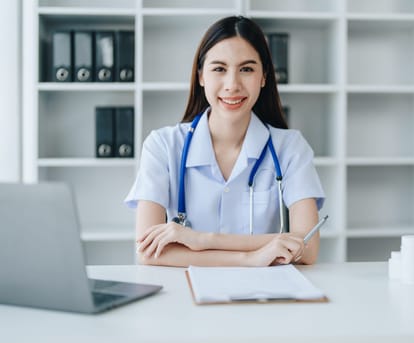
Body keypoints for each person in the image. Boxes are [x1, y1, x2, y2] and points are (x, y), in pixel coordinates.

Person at [125, 16, 325, 267]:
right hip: (184, 296)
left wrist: (201, 239)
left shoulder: (290, 148)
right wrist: (250, 258)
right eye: (219, 69)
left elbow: (306, 247)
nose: (233, 85)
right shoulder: (162, 146)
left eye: (247, 69)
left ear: (264, 77)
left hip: (263, 296)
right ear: (200, 76)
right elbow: (148, 252)